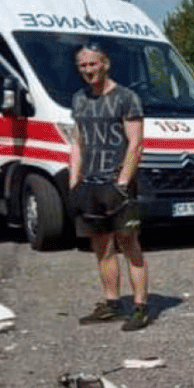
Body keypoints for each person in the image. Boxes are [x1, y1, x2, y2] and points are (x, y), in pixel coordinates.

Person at [67, 42, 150, 331]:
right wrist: (73, 182)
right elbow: (77, 142)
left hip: (118, 185)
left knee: (129, 244)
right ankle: (112, 303)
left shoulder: (127, 98)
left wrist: (123, 183)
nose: (89, 70)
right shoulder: (79, 99)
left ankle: (140, 307)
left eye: (93, 64)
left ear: (105, 64)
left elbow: (136, 144)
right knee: (101, 247)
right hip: (90, 184)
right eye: (83, 65)